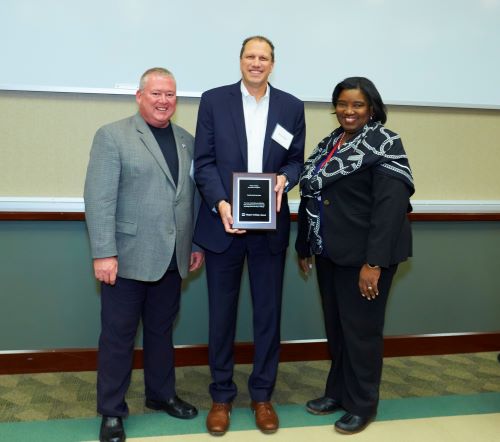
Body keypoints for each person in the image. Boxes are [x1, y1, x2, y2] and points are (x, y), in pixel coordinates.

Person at [84, 67, 204, 442]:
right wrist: (104, 253)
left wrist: (195, 244)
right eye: (156, 94)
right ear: (140, 96)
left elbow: (192, 198)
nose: (164, 100)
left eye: (170, 94)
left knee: (160, 331)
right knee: (118, 336)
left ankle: (161, 393)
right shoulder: (113, 136)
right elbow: (98, 198)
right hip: (126, 257)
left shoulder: (187, 140)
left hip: (173, 256)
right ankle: (111, 411)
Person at [194, 36, 305, 435]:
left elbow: (296, 160)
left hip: (269, 228)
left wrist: (285, 180)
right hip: (224, 225)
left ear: (273, 64)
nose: (256, 63)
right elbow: (203, 162)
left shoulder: (291, 106)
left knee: (267, 316)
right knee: (221, 317)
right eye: (250, 56)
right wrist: (222, 203)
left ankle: (262, 396)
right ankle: (221, 397)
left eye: (264, 58)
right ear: (240, 61)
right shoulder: (213, 100)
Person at [295, 77, 414, 435]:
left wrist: (374, 263)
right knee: (338, 329)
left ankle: (363, 404)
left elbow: (389, 210)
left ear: (372, 108)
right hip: (330, 252)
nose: (349, 111)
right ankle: (338, 393)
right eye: (343, 104)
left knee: (361, 332)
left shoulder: (385, 143)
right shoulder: (332, 142)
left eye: (357, 105)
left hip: (366, 257)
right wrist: (304, 244)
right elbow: (313, 195)